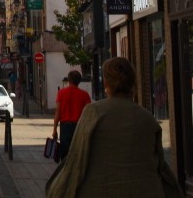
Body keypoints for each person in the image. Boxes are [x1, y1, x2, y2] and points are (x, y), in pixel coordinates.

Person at [46, 57, 182, 197]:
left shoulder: (94, 112)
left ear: (106, 82)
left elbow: (76, 160)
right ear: (133, 82)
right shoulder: (148, 118)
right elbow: (160, 164)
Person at [52, 69, 91, 161]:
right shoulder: (85, 95)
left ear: (68, 80)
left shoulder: (61, 93)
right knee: (78, 152)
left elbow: (58, 112)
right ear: (79, 81)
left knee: (65, 153)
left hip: (65, 126)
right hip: (79, 126)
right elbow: (88, 112)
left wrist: (54, 129)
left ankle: (65, 171)